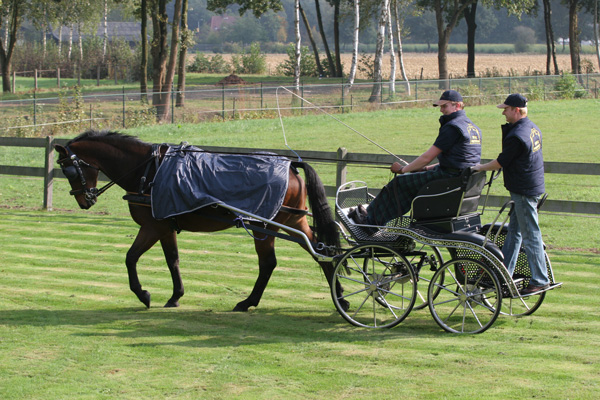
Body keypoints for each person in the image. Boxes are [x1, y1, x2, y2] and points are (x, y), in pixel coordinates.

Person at [350, 89, 482, 226]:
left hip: (449, 178)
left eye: (445, 106)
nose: (441, 110)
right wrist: (424, 169)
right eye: (440, 106)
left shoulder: (452, 127)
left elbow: (427, 157)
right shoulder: (472, 127)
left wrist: (403, 169)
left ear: (457, 105)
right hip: (460, 178)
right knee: (408, 186)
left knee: (398, 183)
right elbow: (458, 162)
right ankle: (377, 219)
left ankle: (369, 221)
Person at [473, 93, 550, 296]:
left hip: (524, 191)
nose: (504, 113)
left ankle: (540, 279)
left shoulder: (517, 135)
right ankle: (504, 271)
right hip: (530, 187)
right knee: (514, 231)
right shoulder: (532, 128)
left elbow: (500, 162)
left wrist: (480, 168)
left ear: (516, 110)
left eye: (506, 109)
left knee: (530, 235)